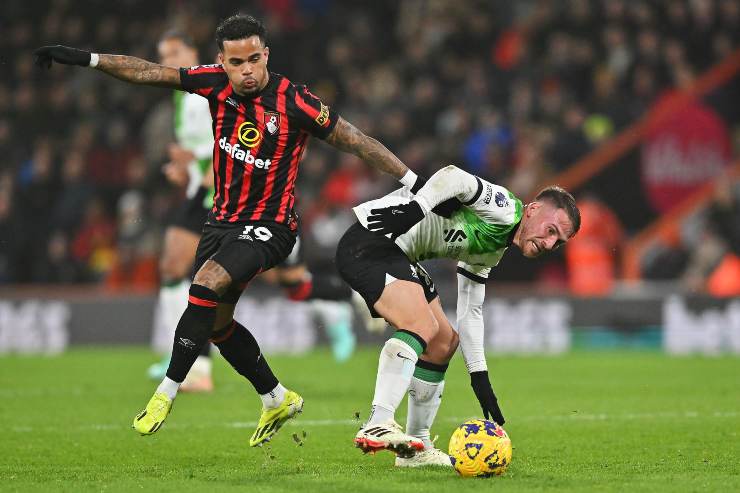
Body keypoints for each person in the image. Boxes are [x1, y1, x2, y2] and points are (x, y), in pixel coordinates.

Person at [34, 13, 418, 447]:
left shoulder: (295, 101)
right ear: (223, 61)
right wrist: (87, 59)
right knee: (216, 323)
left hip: (271, 226)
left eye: (255, 59)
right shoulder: (213, 83)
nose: (248, 70)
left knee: (206, 282)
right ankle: (276, 398)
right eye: (237, 62)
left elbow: (353, 138)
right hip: (222, 223)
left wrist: (411, 181)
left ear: (266, 55)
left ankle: (166, 390)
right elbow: (148, 72)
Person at [148, 30, 363, 395]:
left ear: (192, 53)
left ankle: (342, 302)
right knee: (181, 270)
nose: (168, 59)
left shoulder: (212, 91)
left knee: (291, 284)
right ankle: (196, 364)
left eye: (175, 52)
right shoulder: (183, 98)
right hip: (210, 200)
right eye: (162, 53)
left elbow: (249, 142)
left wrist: (196, 163)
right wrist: (188, 169)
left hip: (258, 207)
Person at [335, 164, 580, 466]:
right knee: (421, 325)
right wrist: (417, 208)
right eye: (551, 231)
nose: (549, 244)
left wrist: (480, 377)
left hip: (397, 255)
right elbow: (453, 176)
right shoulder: (504, 208)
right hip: (374, 239)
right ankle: (378, 421)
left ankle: (416, 450)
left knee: (443, 342)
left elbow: (470, 309)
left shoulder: (493, 249)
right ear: (533, 210)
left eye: (558, 242)